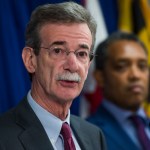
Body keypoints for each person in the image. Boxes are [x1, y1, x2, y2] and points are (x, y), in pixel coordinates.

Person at [0, 2, 106, 150]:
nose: (73, 65)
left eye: (82, 54)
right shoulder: (3, 137)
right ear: (30, 60)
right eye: (58, 51)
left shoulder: (94, 135)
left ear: (89, 64)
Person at [87, 31, 150, 150]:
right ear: (100, 77)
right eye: (121, 67)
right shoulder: (86, 134)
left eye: (142, 66)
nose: (135, 75)